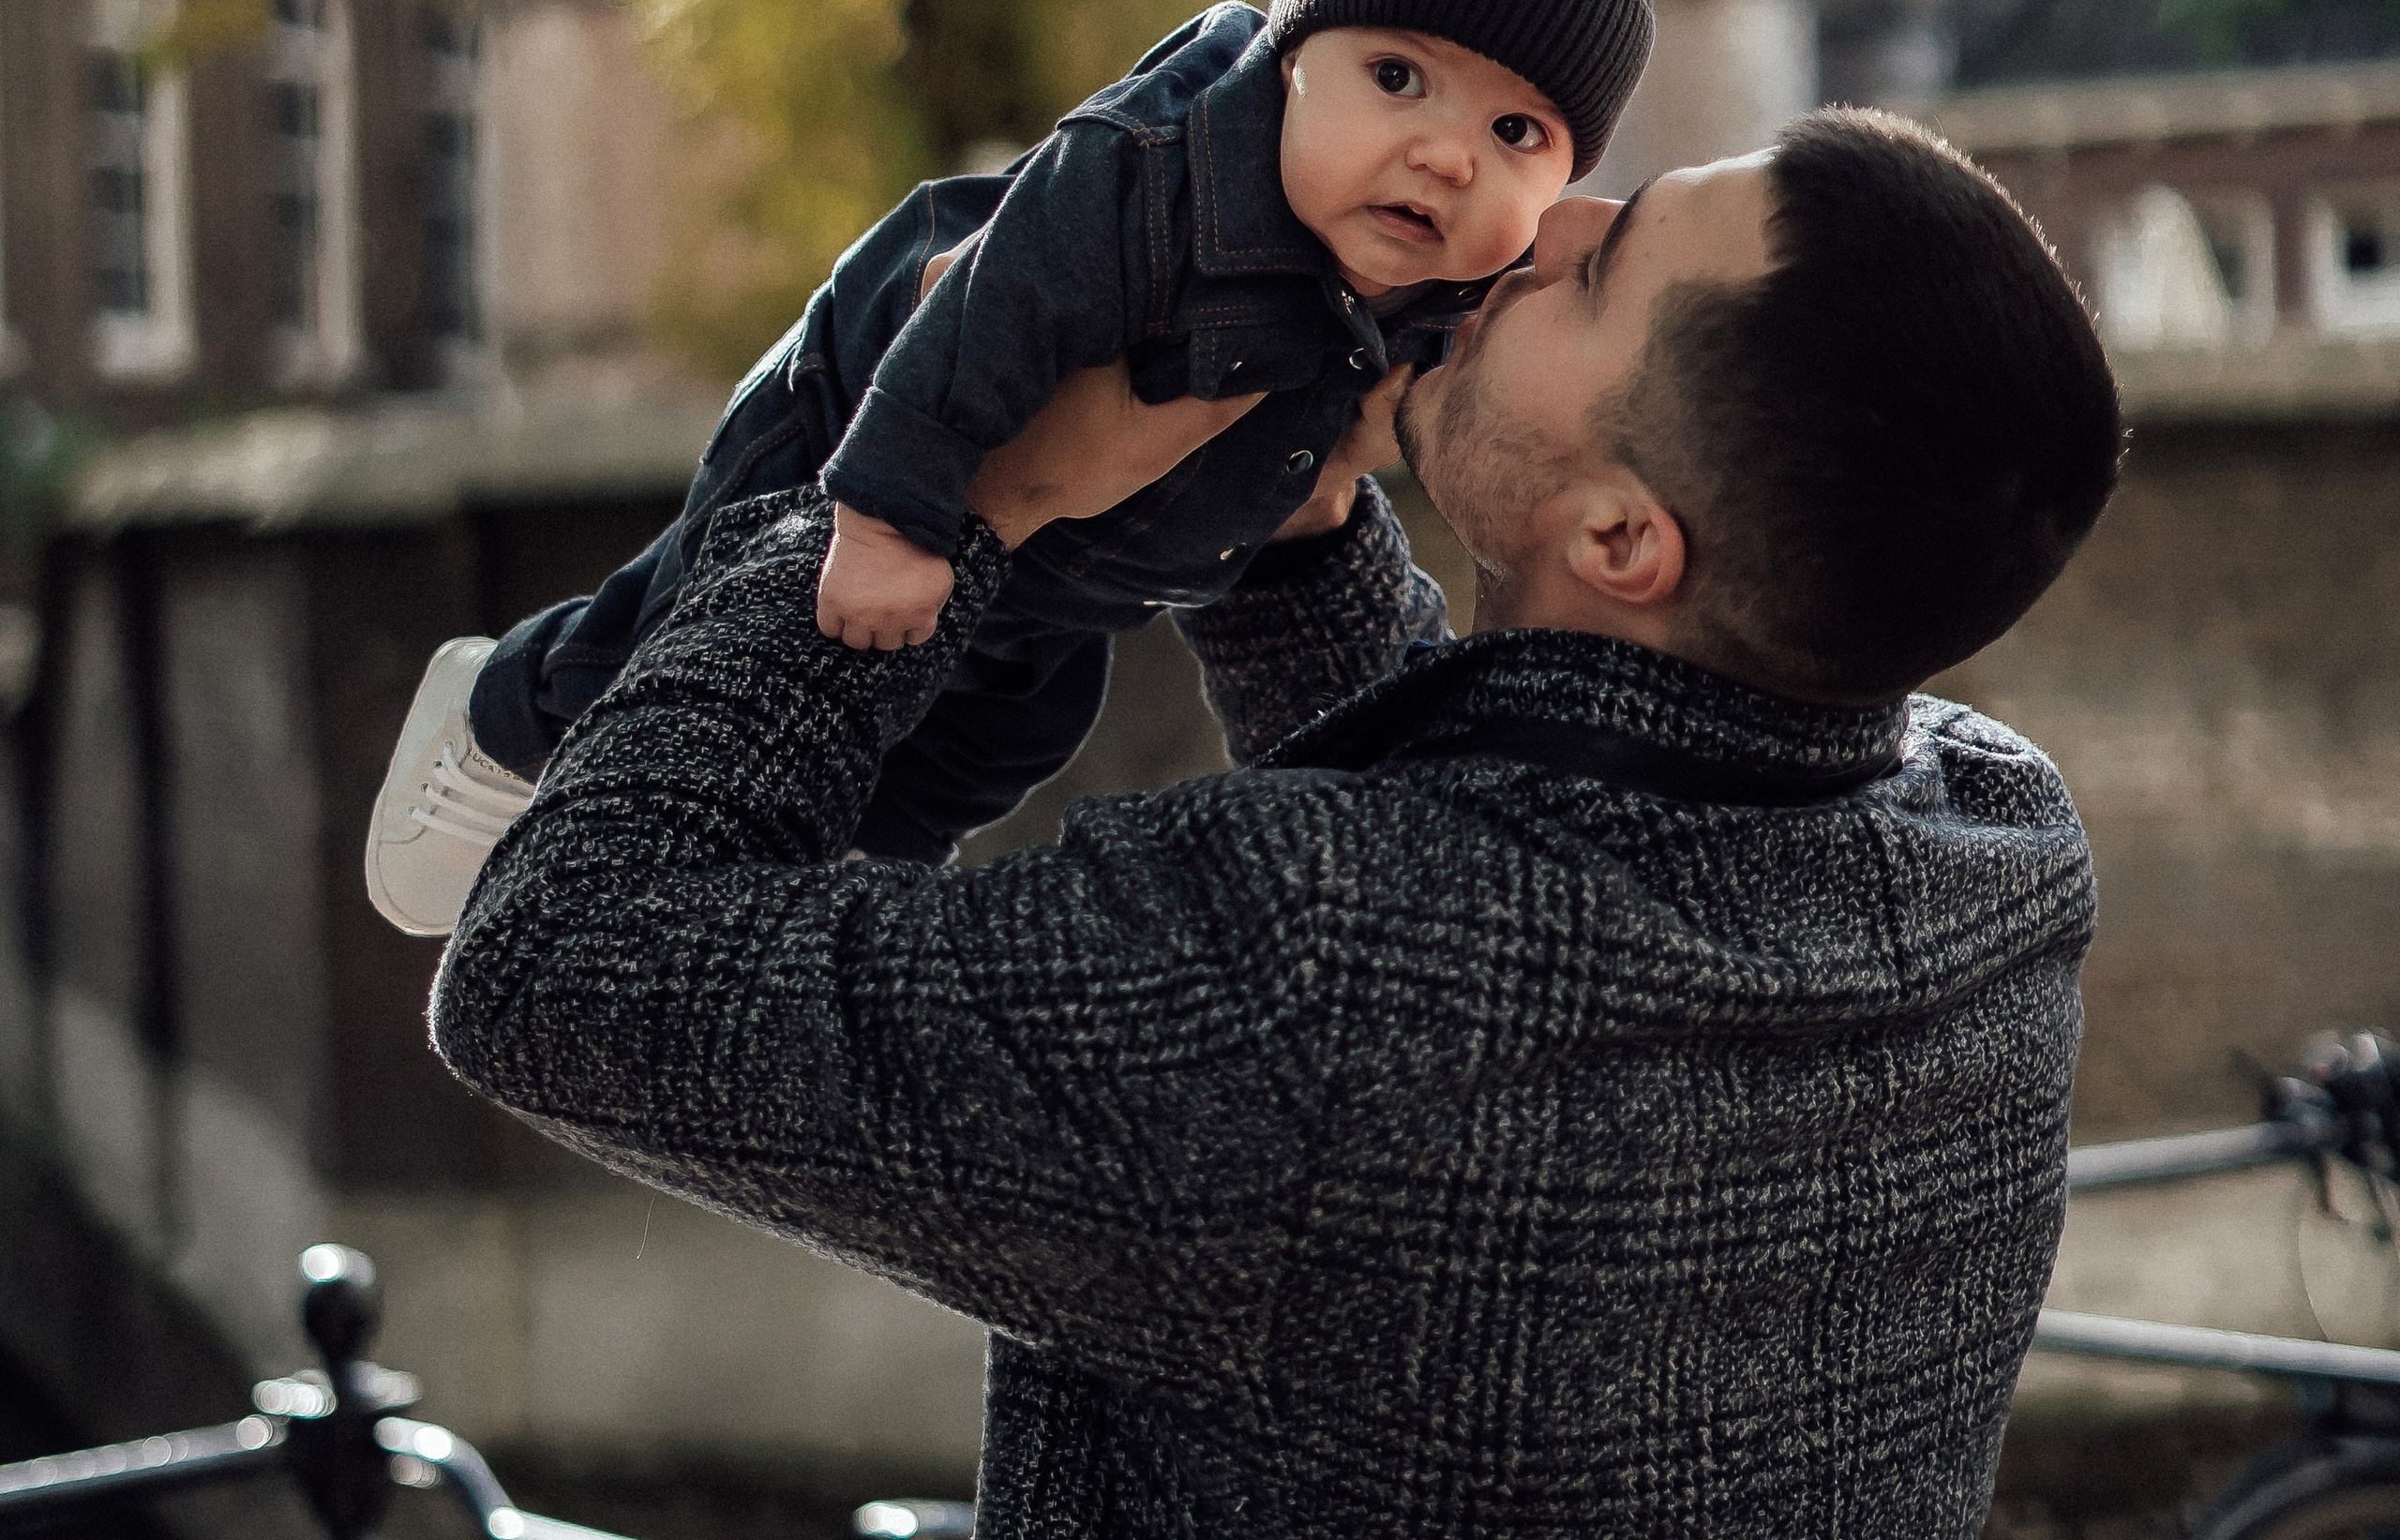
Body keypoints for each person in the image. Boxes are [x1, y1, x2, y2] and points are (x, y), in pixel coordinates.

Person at [431, 106, 2122, 1540]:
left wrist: (949, 499)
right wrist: (1298, 530)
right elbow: (1516, 883)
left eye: (1601, 267)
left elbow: (558, 963)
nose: (1548, 221)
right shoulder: (1994, 839)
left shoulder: (1314, 987)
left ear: (1623, 542)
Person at [365, 0, 1722, 926]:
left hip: (1099, 570)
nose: (1446, 155)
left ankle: (852, 874)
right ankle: (510, 714)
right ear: (1300, 54)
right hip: (874, 413)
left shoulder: (1458, 276)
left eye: (1518, 132)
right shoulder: (1153, 176)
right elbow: (981, 313)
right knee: (689, 609)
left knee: (1010, 729)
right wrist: (900, 511)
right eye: (1397, 79)